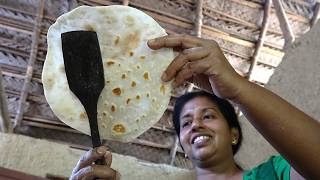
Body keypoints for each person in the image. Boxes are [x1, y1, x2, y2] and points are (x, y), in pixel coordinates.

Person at [70, 35, 320, 180]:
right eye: (186, 123)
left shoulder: (273, 174)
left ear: (234, 133)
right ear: (183, 144)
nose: (196, 124)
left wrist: (238, 89)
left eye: (208, 115)